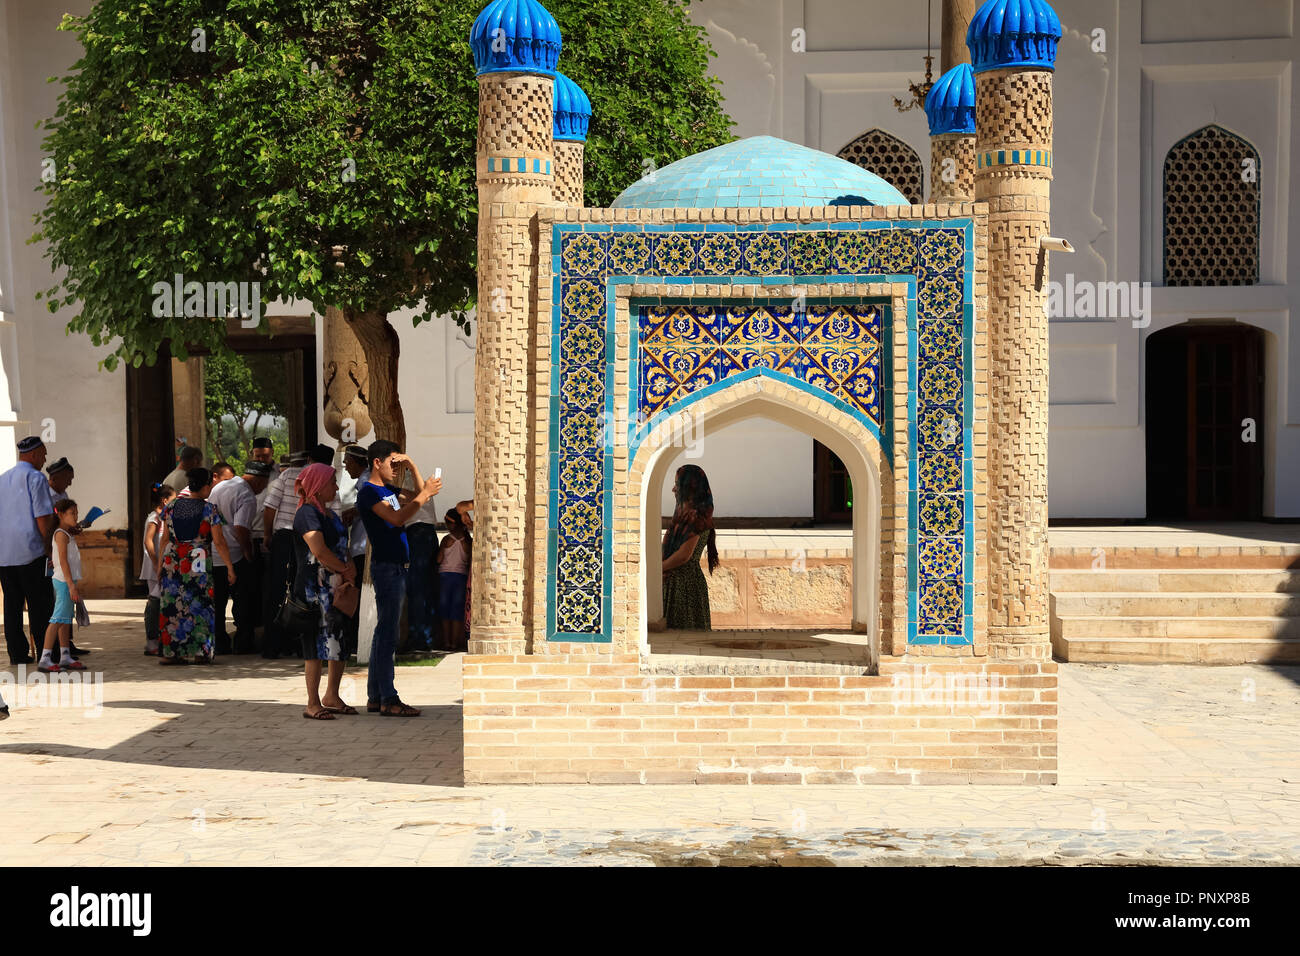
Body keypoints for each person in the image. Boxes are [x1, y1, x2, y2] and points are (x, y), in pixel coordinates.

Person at [356, 440, 441, 717]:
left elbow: (420, 494)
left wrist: (413, 465)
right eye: (393, 463)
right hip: (387, 568)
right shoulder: (369, 492)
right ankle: (388, 698)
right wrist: (423, 494)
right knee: (387, 633)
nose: (397, 468)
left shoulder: (389, 489)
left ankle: (375, 695)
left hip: (396, 567)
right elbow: (396, 518)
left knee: (384, 632)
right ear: (376, 463)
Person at [292, 463, 358, 719]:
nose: (336, 487)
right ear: (319, 486)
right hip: (314, 590)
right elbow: (318, 550)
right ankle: (312, 702)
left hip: (337, 587)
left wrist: (347, 568)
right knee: (314, 646)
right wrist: (344, 568)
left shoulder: (329, 515)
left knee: (338, 641)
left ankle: (332, 694)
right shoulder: (307, 513)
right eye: (332, 482)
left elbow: (342, 545)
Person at [156, 468, 234, 664]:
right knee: (200, 606)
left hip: (172, 561)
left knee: (173, 605)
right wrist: (229, 567)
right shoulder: (209, 509)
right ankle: (200, 651)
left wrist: (159, 566)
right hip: (197, 562)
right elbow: (219, 541)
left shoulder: (172, 506)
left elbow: (164, 539)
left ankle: (172, 652)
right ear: (206, 486)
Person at [0, 436, 56, 665]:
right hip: (31, 552)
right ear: (32, 455)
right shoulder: (36, 478)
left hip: (4, 555)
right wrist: (50, 549)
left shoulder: (2, 479)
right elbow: (43, 517)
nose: (44, 459)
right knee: (39, 604)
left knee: (12, 606)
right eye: (42, 455)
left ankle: (17, 653)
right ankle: (45, 652)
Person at [209, 461, 272, 654]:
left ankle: (219, 642)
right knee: (243, 599)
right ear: (259, 480)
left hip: (215, 551)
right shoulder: (247, 495)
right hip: (235, 554)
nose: (263, 488)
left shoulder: (220, 486)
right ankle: (243, 642)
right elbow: (241, 527)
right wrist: (247, 551)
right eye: (264, 483)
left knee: (217, 602)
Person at [261, 450, 309, 658]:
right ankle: (298, 644)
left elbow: (270, 508)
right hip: (304, 536)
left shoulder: (285, 476)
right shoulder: (311, 475)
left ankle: (272, 645)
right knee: (300, 591)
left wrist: (267, 535)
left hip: (283, 537)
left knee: (277, 590)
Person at [661, 464, 720, 630]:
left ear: (689, 488)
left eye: (678, 484)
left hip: (685, 587)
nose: (674, 489)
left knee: (683, 633)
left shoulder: (696, 517)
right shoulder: (682, 515)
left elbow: (684, 555)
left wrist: (657, 569)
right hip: (675, 583)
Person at [37, 499, 87, 674]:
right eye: (71, 513)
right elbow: (64, 562)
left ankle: (65, 655)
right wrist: (71, 585)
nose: (75, 516)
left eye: (76, 513)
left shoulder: (66, 533)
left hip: (67, 580)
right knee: (57, 619)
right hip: (64, 581)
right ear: (60, 515)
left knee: (65, 620)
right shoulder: (60, 534)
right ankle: (45, 658)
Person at [338, 445, 370, 657]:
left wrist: (354, 511)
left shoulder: (366, 481)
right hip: (359, 545)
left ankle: (356, 642)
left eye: (347, 462)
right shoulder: (362, 482)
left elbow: (372, 504)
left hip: (363, 547)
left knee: (357, 596)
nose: (345, 466)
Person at [141, 482, 176, 656]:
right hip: (155, 567)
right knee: (154, 602)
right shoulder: (154, 518)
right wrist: (156, 563)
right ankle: (152, 641)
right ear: (164, 501)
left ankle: (159, 639)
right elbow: (148, 541)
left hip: (161, 565)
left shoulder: (164, 517)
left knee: (160, 603)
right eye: (172, 499)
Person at [436, 504, 473, 653]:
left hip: (445, 577)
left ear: (452, 524)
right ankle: (456, 642)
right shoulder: (468, 541)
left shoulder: (446, 539)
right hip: (461, 577)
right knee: (457, 611)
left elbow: (439, 559)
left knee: (445, 610)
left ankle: (446, 642)